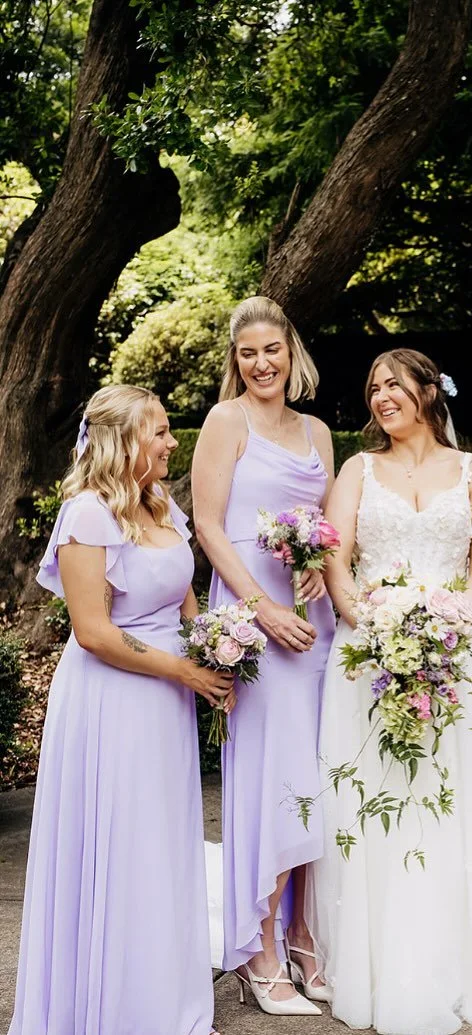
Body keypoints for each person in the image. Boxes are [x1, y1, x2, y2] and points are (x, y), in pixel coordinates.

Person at [310, 348, 472, 1035]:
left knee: (451, 800)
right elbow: (336, 560)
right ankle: (377, 965)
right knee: (379, 801)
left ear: (430, 390)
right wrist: (367, 623)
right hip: (368, 654)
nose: (381, 397)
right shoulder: (357, 470)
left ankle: (455, 961)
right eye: (373, 387)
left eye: (394, 384)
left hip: (456, 654)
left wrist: (456, 620)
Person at [9, 385, 230, 1035]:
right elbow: (94, 632)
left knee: (159, 844)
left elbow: (185, 599)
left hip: (164, 702)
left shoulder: (159, 502)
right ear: (123, 440)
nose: (171, 442)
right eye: (159, 431)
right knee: (121, 842)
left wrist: (219, 649)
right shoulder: (87, 514)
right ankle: (112, 1008)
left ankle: (161, 999)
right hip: (112, 701)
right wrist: (187, 671)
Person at [192, 296, 335, 1016]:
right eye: (247, 353)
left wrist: (319, 572)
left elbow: (327, 526)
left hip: (314, 619)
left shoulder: (318, 431)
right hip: (255, 616)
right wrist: (262, 609)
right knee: (275, 772)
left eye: (271, 349)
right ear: (235, 359)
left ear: (291, 351)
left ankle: (305, 936)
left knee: (317, 770)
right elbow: (209, 526)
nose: (260, 363)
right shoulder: (226, 421)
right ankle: (260, 946)